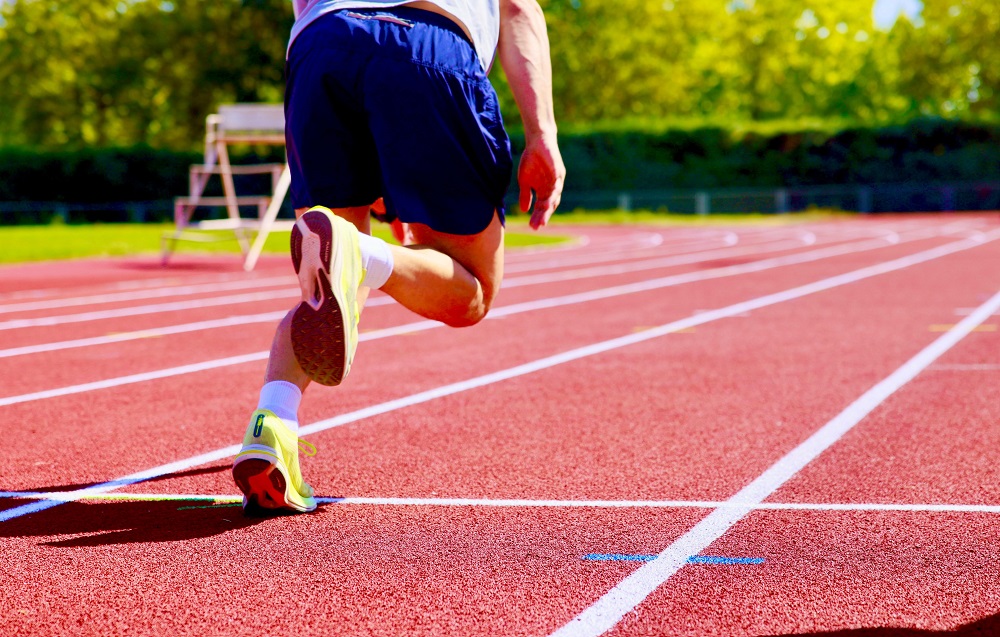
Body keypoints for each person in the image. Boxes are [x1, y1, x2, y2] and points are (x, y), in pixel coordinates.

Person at [232, 0, 565, 514]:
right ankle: (365, 254)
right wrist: (542, 134)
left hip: (322, 42)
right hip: (428, 41)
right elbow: (518, 8)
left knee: (329, 287)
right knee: (471, 293)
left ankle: (271, 424)